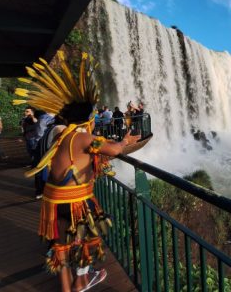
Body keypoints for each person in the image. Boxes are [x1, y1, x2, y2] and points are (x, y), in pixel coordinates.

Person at [13, 51, 140, 292]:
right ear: (88, 117)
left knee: (60, 245)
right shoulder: (82, 137)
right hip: (74, 202)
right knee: (87, 239)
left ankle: (66, 288)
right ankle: (81, 280)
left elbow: (83, 157)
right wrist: (125, 141)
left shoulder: (63, 136)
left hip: (54, 200)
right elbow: (112, 150)